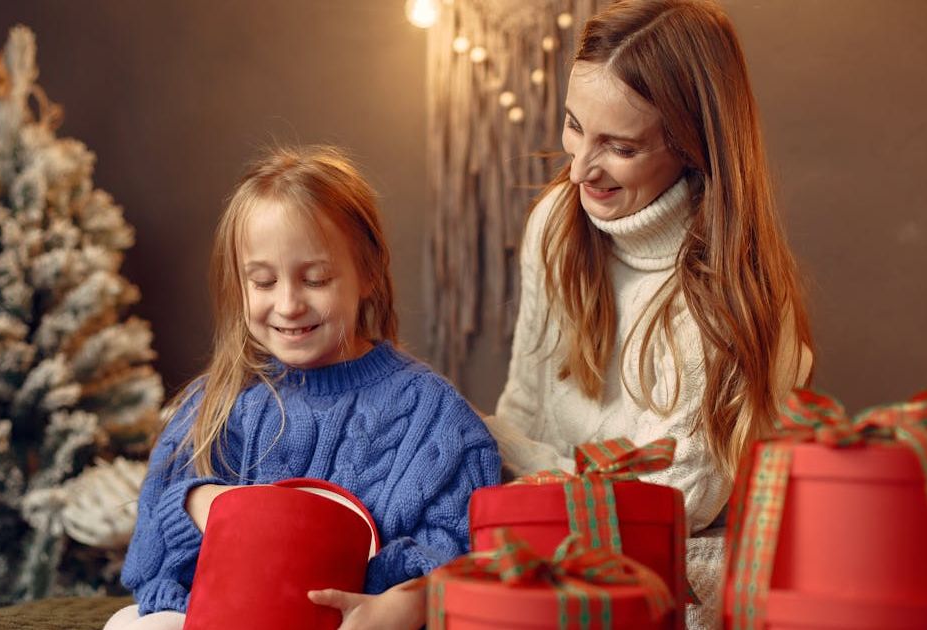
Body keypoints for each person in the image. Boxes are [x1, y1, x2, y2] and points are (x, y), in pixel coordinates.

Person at [483, 1, 814, 628]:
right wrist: (505, 461)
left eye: (621, 146)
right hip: (552, 559)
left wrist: (494, 445)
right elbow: (525, 407)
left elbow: (657, 513)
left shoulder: (728, 302)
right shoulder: (556, 224)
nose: (579, 169)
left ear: (692, 147)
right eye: (575, 125)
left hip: (681, 589)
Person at [104, 146, 501, 630]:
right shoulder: (219, 401)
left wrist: (403, 602)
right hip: (215, 619)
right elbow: (147, 565)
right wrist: (196, 505)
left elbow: (466, 560)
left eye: (315, 279)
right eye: (263, 282)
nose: (288, 304)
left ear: (368, 273)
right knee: (133, 623)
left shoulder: (434, 418)